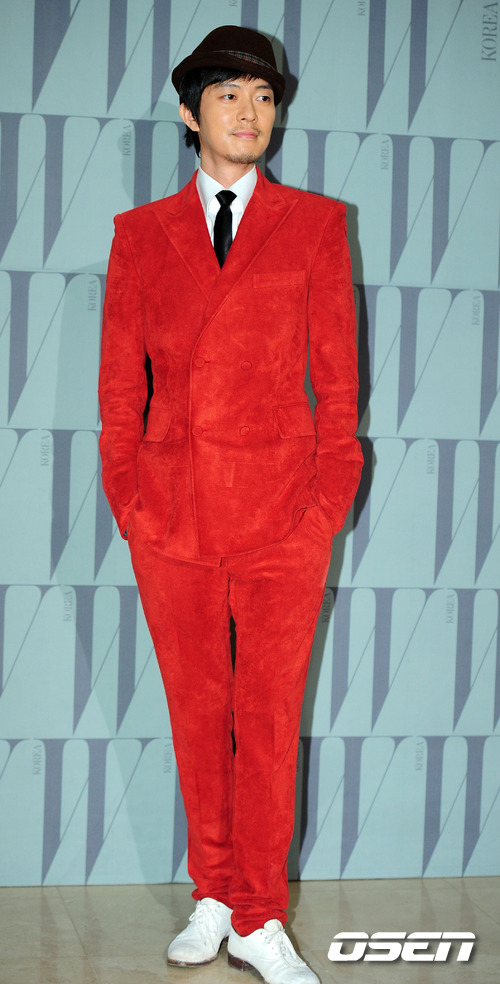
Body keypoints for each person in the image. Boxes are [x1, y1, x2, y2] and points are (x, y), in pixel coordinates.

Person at [98, 24, 363, 984]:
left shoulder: (315, 225)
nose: (250, 113)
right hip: (172, 519)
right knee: (197, 715)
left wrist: (324, 505)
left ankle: (259, 915)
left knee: (270, 719)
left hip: (283, 518)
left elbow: (339, 386)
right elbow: (118, 391)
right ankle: (213, 896)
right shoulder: (140, 235)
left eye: (264, 97)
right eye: (229, 95)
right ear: (189, 112)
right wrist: (131, 502)